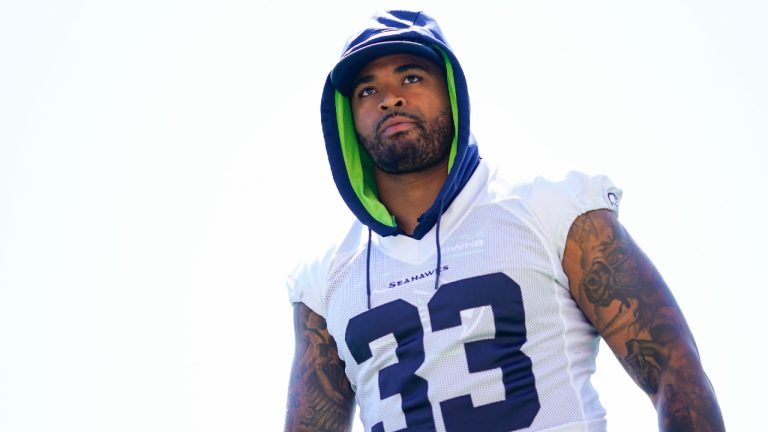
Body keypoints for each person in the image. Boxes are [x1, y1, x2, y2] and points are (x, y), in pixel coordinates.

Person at [284, 10, 725, 432]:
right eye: (367, 90)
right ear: (347, 120)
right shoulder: (326, 281)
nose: (390, 99)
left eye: (411, 77)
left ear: (452, 92)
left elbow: (672, 366)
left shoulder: (552, 211)